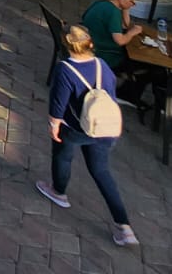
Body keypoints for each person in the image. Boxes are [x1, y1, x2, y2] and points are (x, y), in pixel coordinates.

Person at [38, 24, 138, 247]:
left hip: (77, 126)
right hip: (105, 127)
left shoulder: (65, 69)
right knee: (101, 172)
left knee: (63, 155)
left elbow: (59, 102)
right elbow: (111, 90)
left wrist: (54, 124)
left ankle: (59, 191)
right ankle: (124, 226)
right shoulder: (101, 64)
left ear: (67, 45)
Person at [80, 0, 149, 105]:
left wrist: (126, 9)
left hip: (90, 46)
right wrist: (132, 33)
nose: (133, 4)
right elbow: (120, 40)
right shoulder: (113, 12)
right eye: (131, 1)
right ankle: (127, 94)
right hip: (104, 54)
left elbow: (125, 25)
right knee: (147, 67)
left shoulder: (100, 2)